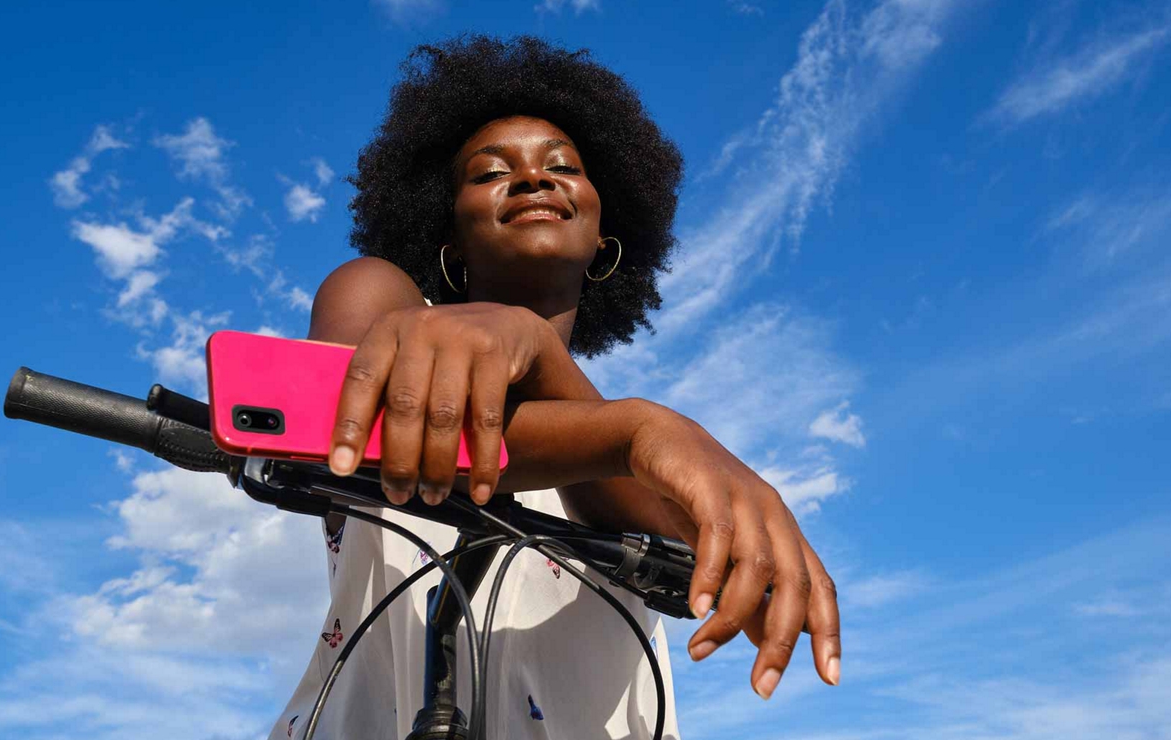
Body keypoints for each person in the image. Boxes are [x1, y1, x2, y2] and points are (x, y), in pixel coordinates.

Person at [268, 35, 841, 739]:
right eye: (490, 173)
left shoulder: (628, 440)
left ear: (604, 238)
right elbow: (352, 430)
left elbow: (675, 542)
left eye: (562, 166)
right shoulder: (382, 305)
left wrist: (554, 365)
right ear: (450, 239)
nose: (533, 179)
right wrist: (632, 430)